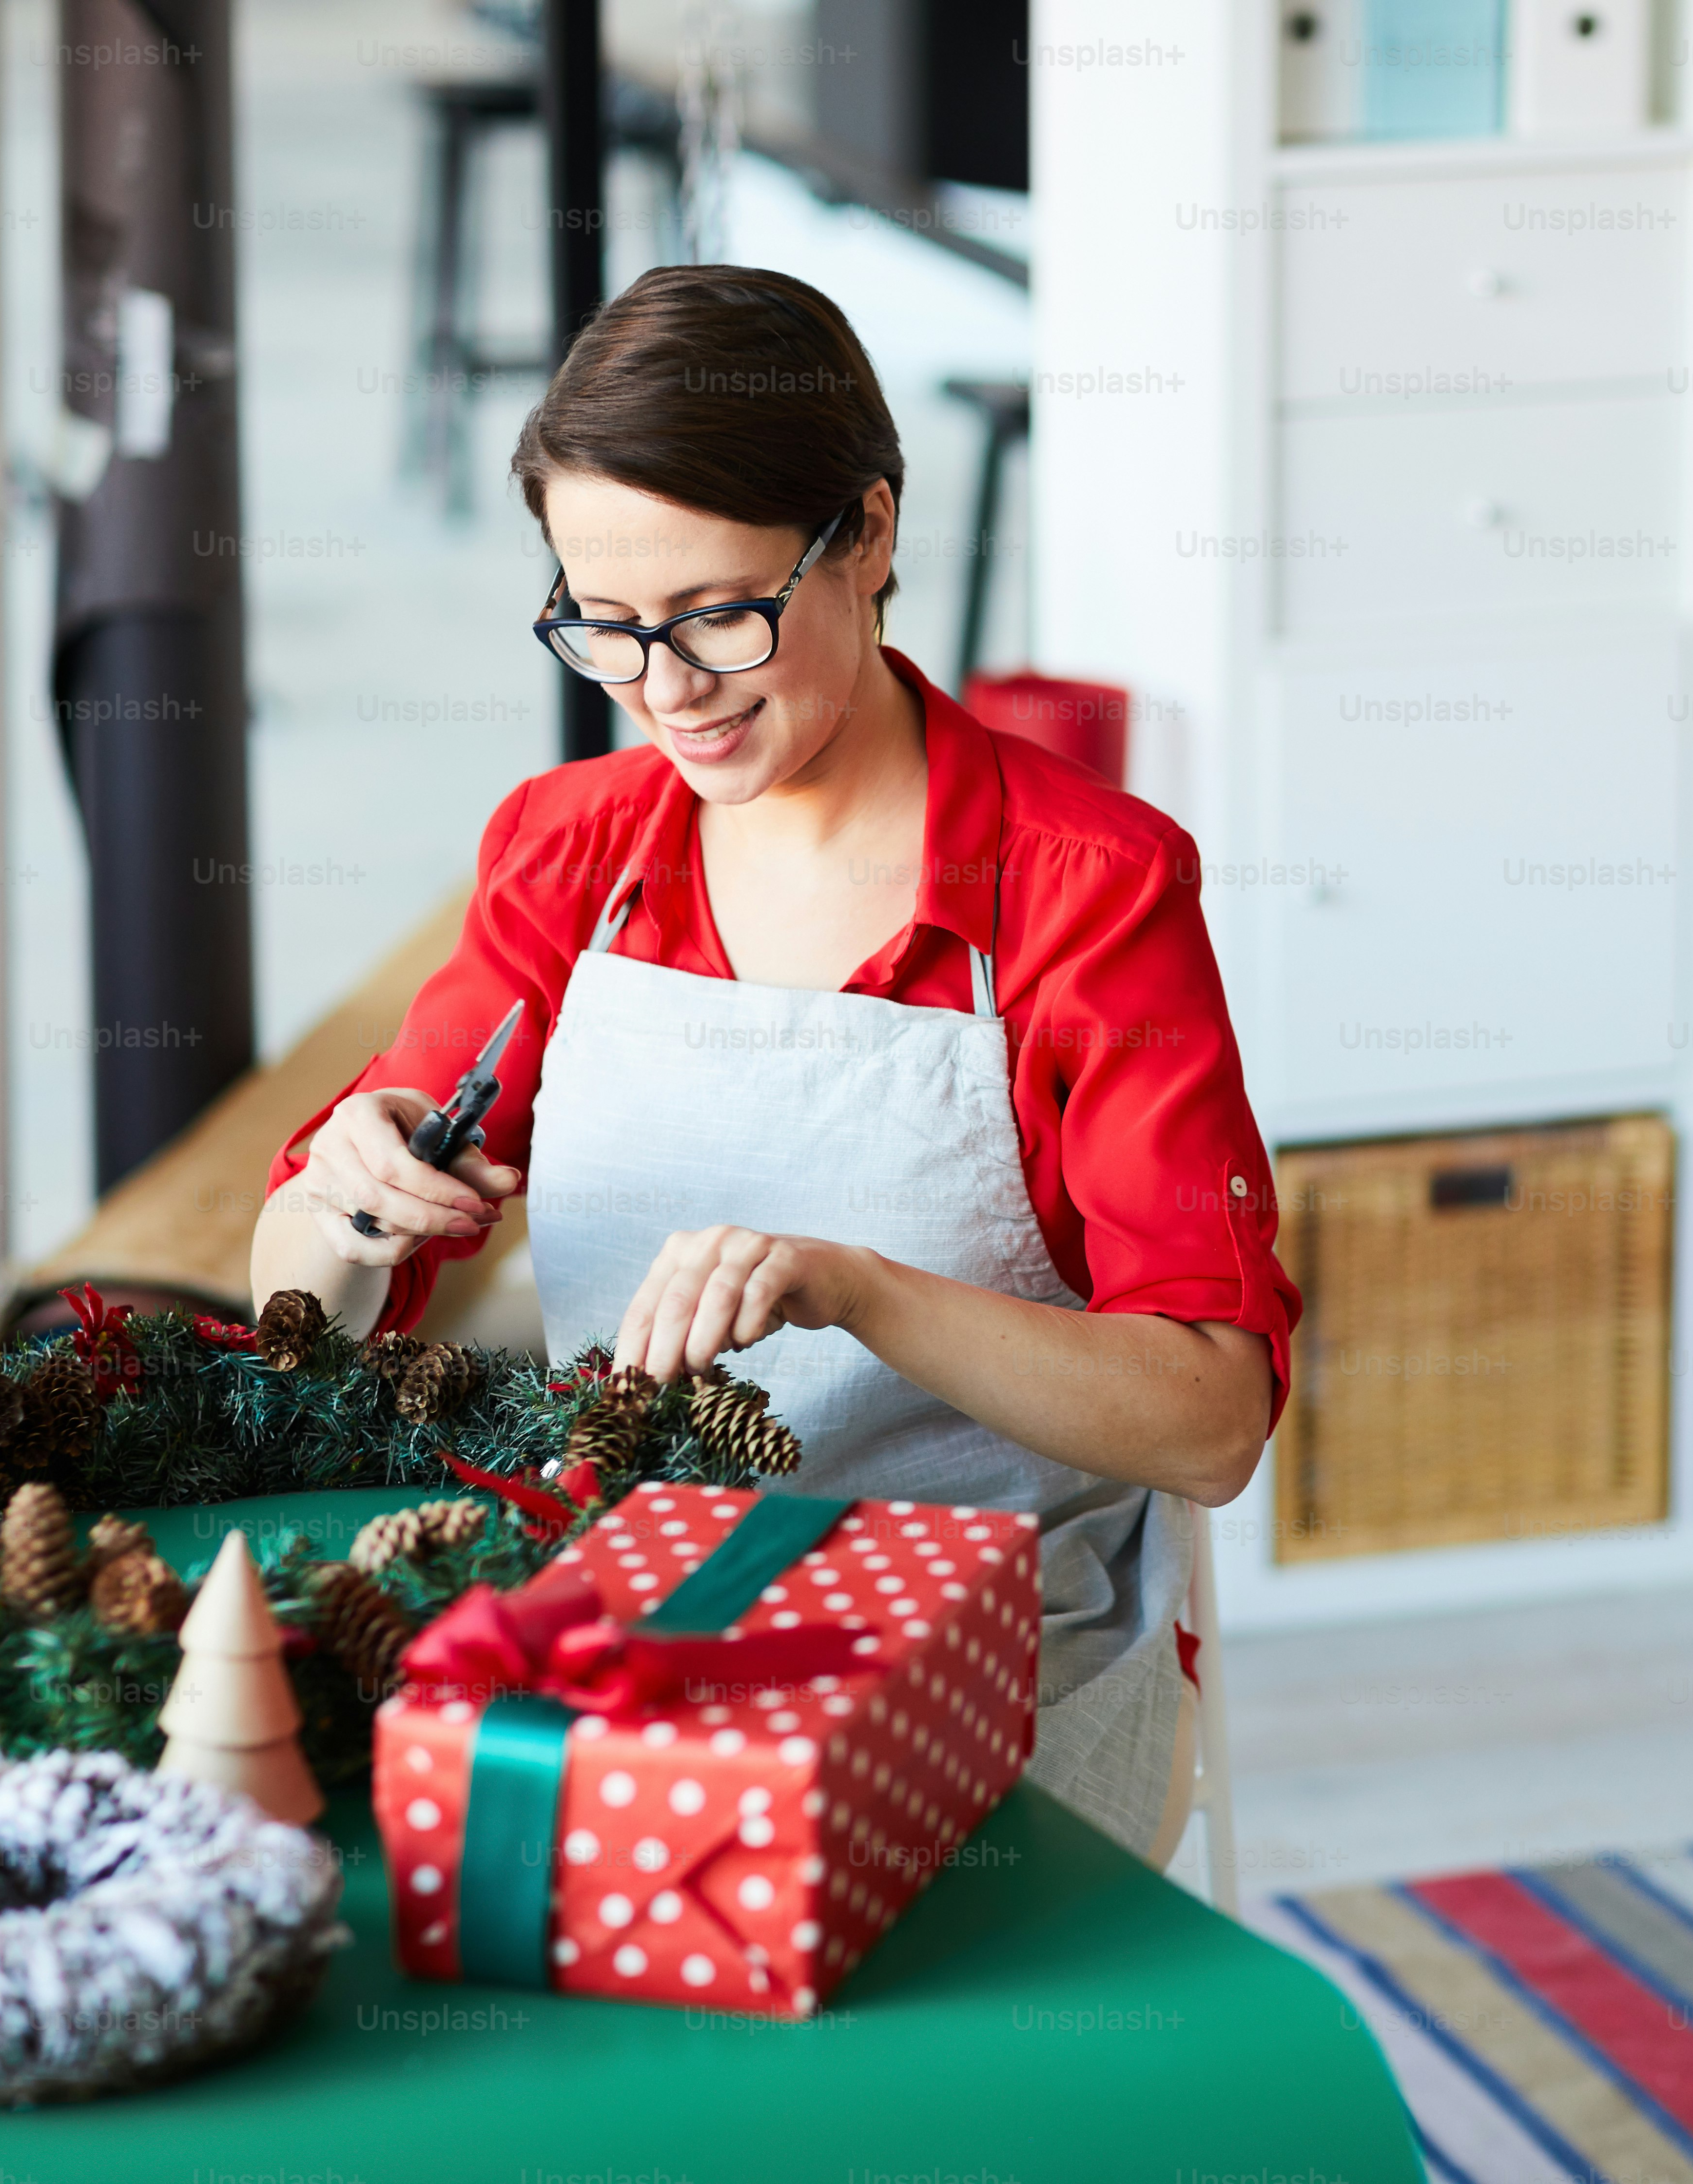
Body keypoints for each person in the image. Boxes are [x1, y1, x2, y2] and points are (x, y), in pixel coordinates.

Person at [252, 265, 1293, 1861]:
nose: (664, 692)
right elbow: (309, 1314)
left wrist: (857, 1290)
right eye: (603, 628)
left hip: (993, 1692)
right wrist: (348, 1197)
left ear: (869, 533)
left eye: (720, 617)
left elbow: (1213, 1421)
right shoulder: (570, 852)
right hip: (635, 1645)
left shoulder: (1089, 887)